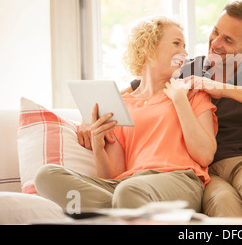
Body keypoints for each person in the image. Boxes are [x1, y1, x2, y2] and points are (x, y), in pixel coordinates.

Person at [79, 0, 242, 218]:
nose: (215, 43)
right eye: (215, 32)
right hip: (206, 171)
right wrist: (87, 120)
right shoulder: (185, 68)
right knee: (222, 202)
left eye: (227, 39)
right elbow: (126, 95)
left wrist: (221, 88)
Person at [35, 17, 218, 212]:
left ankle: (113, 212)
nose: (185, 52)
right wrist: (98, 147)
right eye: (176, 44)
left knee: (128, 192)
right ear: (148, 47)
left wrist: (179, 100)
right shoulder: (121, 105)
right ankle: (123, 211)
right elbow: (113, 177)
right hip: (127, 185)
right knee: (46, 176)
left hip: (179, 180)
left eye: (184, 45)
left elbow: (205, 155)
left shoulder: (191, 94)